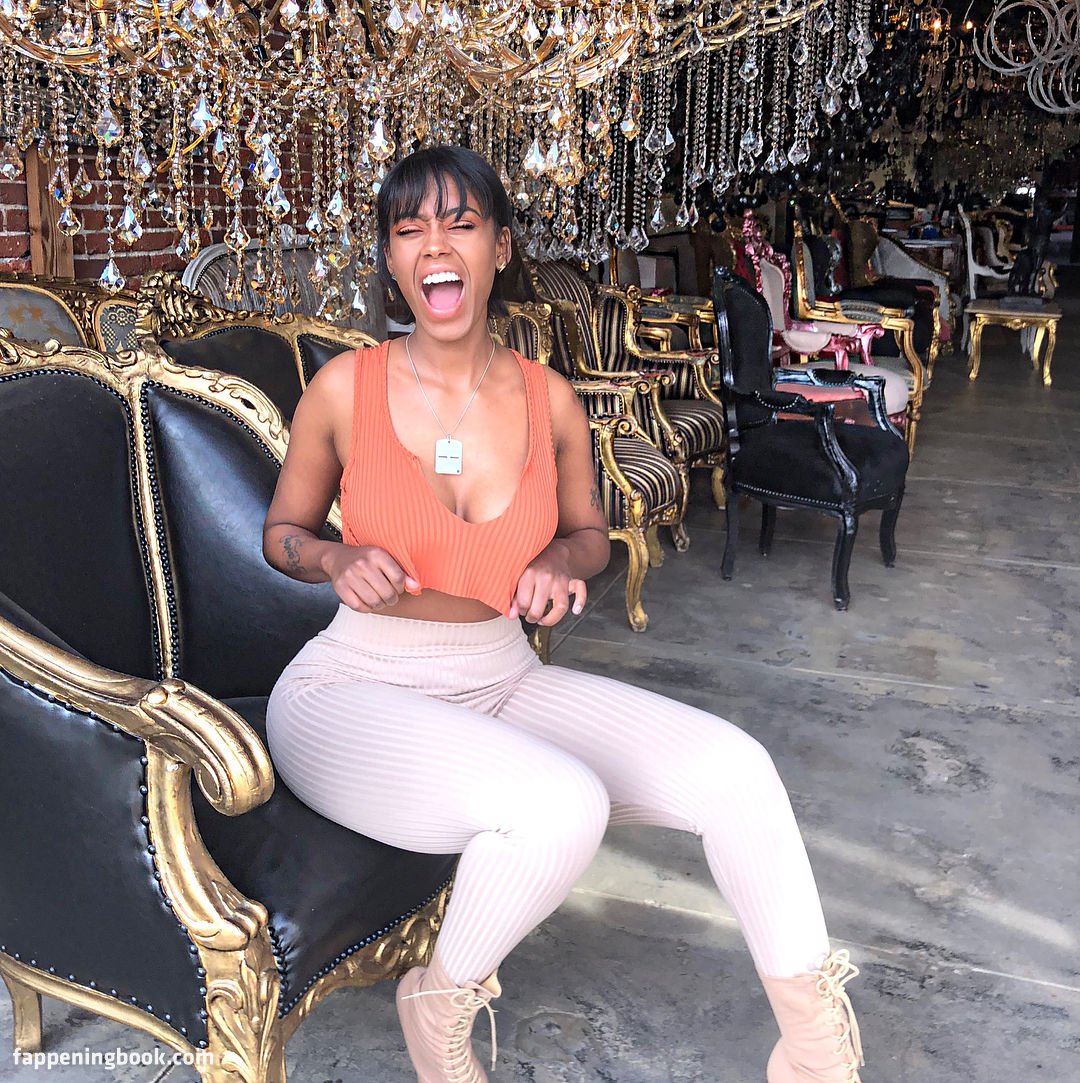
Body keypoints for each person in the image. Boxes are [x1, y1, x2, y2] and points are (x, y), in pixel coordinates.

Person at [262, 145, 865, 1083]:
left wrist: (557, 561)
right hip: (349, 690)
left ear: (500, 248)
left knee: (738, 771)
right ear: (390, 258)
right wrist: (335, 556)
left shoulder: (549, 400)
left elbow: (589, 536)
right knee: (560, 804)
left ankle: (818, 1053)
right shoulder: (345, 386)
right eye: (410, 229)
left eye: (461, 224)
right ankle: (438, 1000)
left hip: (499, 675)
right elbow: (282, 535)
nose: (435, 247)